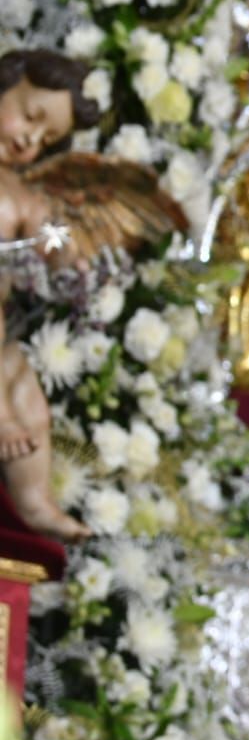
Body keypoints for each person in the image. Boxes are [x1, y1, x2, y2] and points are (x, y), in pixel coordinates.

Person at [0, 49, 105, 543]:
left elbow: (52, 238)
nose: (28, 139)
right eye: (30, 116)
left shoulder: (24, 192)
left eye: (45, 139)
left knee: (28, 392)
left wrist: (71, 260)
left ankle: (36, 502)